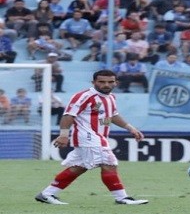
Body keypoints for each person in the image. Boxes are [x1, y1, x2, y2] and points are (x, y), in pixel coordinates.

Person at [34, 70, 148, 205]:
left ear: (116, 83)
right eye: (102, 82)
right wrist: (64, 135)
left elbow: (112, 116)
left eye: (110, 82)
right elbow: (68, 115)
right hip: (88, 137)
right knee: (109, 163)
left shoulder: (111, 97)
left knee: (80, 166)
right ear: (93, 82)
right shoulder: (84, 96)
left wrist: (131, 128)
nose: (106, 85)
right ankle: (121, 197)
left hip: (98, 137)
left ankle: (47, 194)